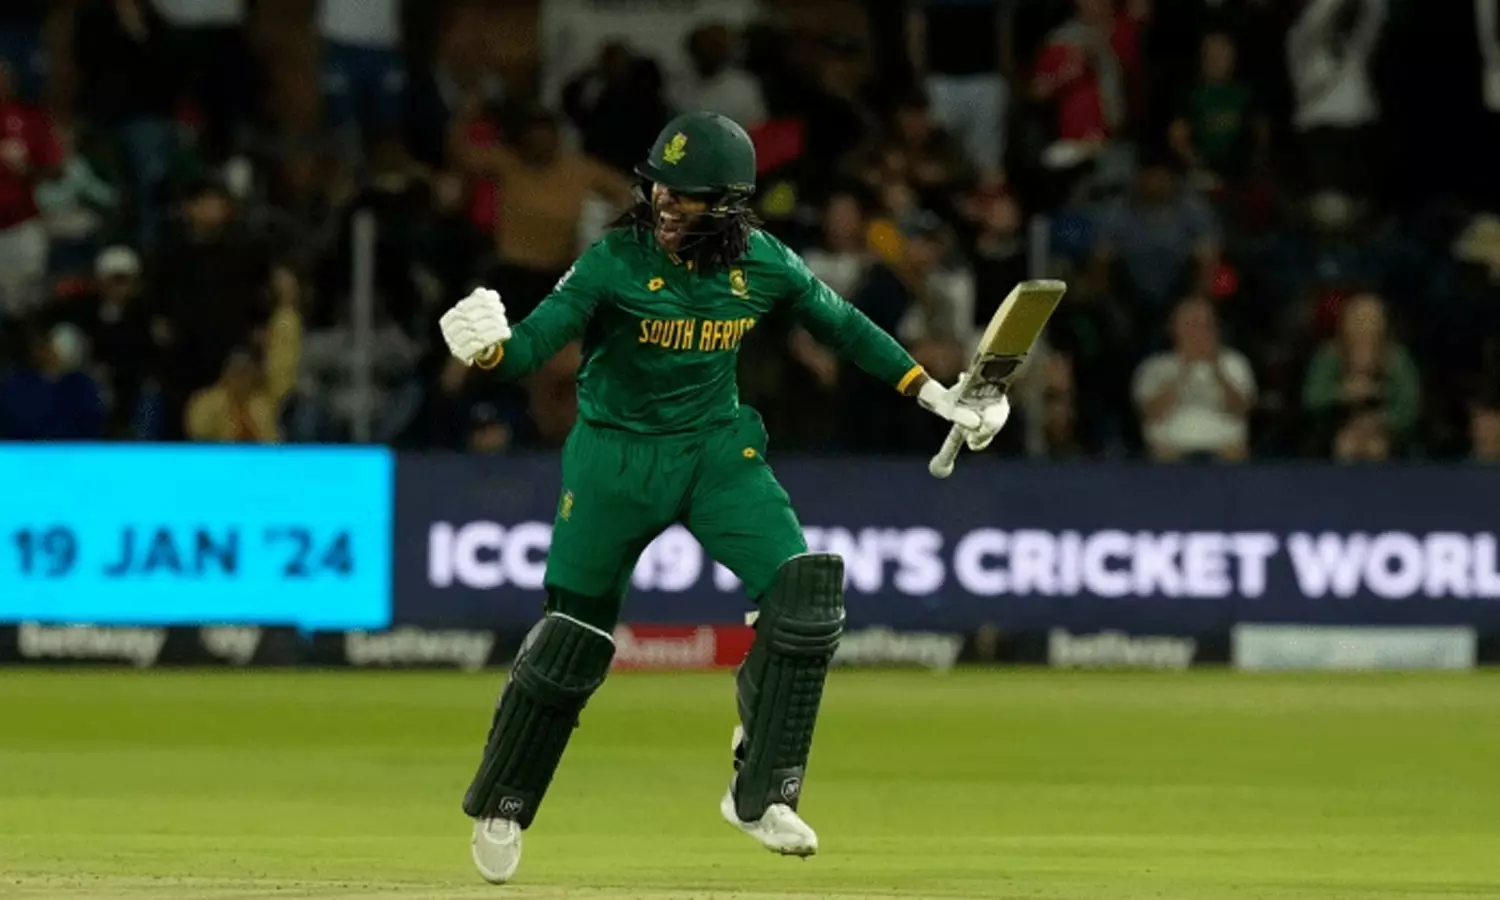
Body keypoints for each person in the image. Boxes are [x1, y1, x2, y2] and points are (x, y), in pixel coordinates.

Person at [436, 111, 1012, 884]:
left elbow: (845, 328)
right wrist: (489, 350)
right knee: (572, 637)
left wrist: (935, 394)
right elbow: (533, 348)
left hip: (716, 453)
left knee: (804, 593)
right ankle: (505, 801)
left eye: (686, 197)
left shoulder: (763, 262)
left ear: (731, 204)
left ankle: (760, 791)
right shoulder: (613, 260)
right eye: (659, 189)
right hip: (614, 460)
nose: (664, 205)